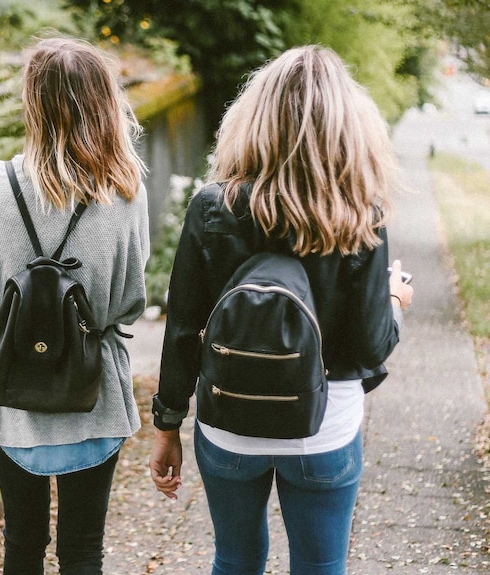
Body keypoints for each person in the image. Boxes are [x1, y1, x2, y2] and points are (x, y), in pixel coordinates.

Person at [148, 45, 414, 575]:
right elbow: (369, 346)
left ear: (253, 116)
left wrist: (167, 427)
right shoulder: (362, 214)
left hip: (228, 423)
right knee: (321, 567)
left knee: (235, 560)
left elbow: (181, 329)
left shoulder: (212, 206)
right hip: (324, 426)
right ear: (349, 124)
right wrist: (394, 301)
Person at [0, 37, 149, 575]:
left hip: (10, 388)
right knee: (83, 548)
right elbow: (130, 301)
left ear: (32, 102)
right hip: (94, 394)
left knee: (21, 541)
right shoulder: (128, 192)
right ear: (105, 102)